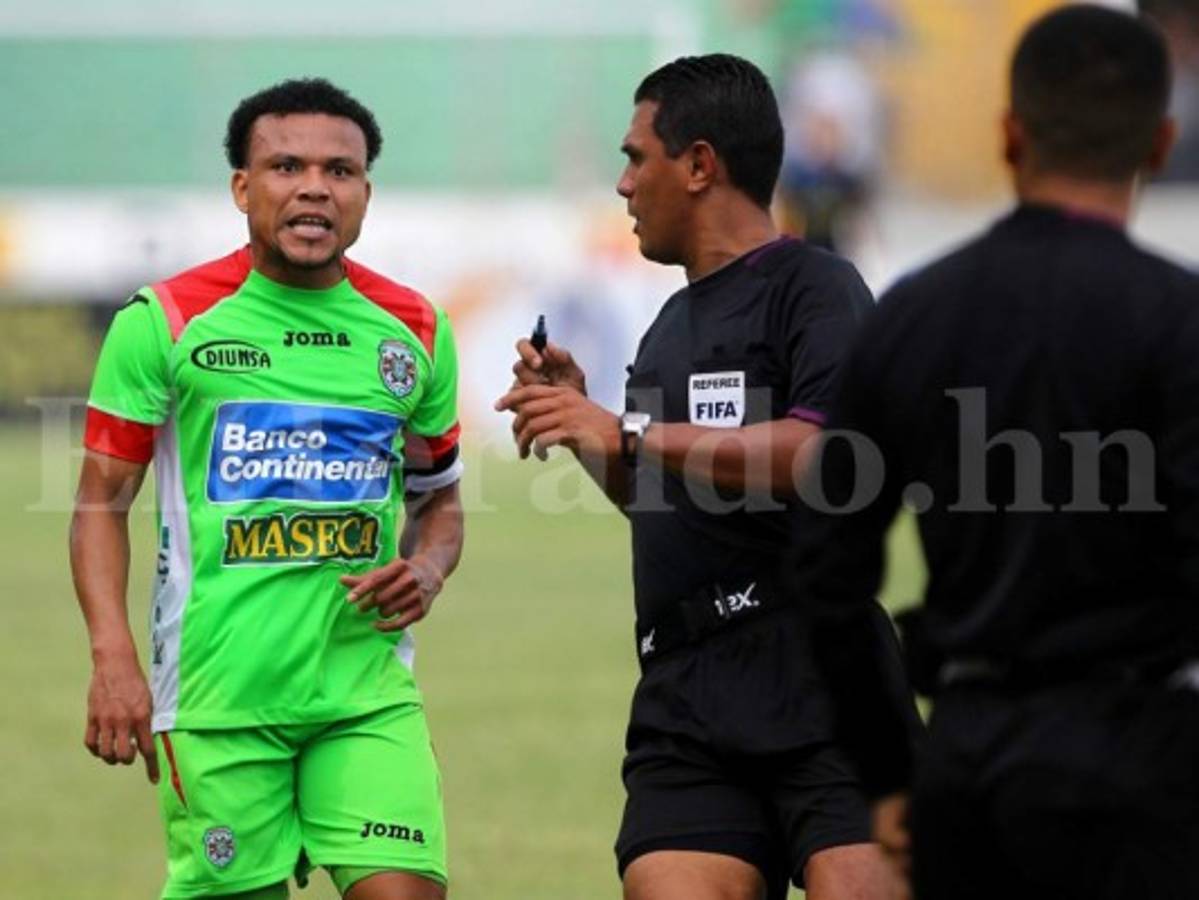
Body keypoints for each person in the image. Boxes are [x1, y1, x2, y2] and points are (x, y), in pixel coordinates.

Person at [794, 6, 1199, 898]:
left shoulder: (913, 315)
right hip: (1146, 762)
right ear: (1159, 142)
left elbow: (826, 570)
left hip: (969, 764)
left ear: (1010, 134)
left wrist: (888, 774)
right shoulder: (1179, 320)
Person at [496, 54, 912, 900]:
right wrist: (584, 425)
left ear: (697, 165)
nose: (622, 185)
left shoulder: (817, 286)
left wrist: (629, 431)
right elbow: (662, 501)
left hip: (819, 672)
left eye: (634, 158)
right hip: (684, 694)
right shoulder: (667, 327)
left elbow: (825, 455)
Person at [70, 78, 463, 900]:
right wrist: (112, 655)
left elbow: (439, 501)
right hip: (216, 701)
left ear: (365, 193)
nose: (315, 188)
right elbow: (100, 504)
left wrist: (427, 570)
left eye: (339, 171)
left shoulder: (415, 329)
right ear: (242, 188)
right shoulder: (165, 321)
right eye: (287, 167)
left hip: (364, 694)